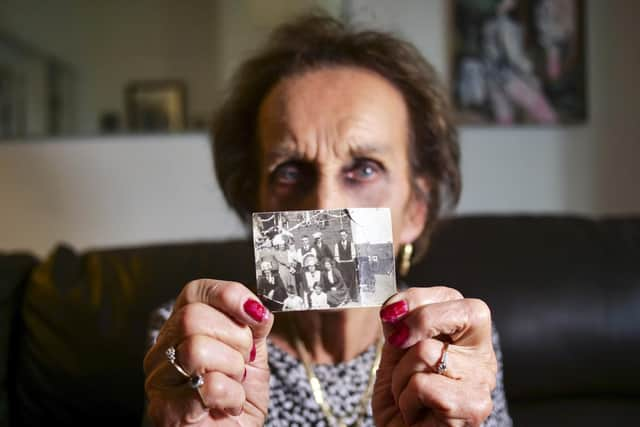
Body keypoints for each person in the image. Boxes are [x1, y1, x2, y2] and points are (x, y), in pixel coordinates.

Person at [144, 13, 511, 427]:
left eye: (365, 169)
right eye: (289, 171)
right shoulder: (199, 344)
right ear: (255, 203)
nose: (324, 203)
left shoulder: (451, 344)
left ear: (416, 211)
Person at [335, 228, 357, 300]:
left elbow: (353, 255)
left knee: (352, 281)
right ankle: (345, 298)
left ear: (346, 235)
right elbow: (336, 256)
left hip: (350, 265)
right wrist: (340, 262)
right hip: (342, 265)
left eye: (344, 235)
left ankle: (353, 297)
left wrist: (350, 260)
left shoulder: (351, 244)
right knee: (344, 280)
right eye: (341, 235)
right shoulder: (337, 245)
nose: (343, 236)